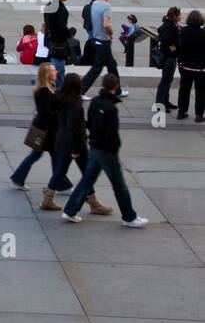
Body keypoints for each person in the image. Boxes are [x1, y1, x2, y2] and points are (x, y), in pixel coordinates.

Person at [61, 75, 149, 226]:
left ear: (102, 85)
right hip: (107, 152)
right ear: (115, 87)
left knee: (86, 180)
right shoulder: (111, 109)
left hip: (95, 147)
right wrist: (115, 148)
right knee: (119, 184)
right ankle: (129, 217)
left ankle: (70, 210)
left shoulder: (95, 101)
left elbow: (89, 122)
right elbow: (112, 135)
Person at [46, 72, 111, 216]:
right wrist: (75, 149)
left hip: (62, 140)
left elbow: (70, 123)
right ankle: (94, 203)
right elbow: (73, 128)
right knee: (87, 173)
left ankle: (48, 198)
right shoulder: (74, 105)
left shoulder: (59, 97)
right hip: (76, 144)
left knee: (61, 171)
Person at [9, 62, 60, 198]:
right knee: (52, 155)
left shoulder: (46, 88)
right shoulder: (44, 91)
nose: (57, 72)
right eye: (54, 70)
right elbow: (46, 112)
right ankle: (59, 183)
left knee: (44, 155)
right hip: (44, 130)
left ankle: (59, 182)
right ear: (47, 75)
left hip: (44, 129)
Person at [80, 0, 128, 98]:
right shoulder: (106, 6)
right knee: (97, 68)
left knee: (112, 66)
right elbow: (106, 24)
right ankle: (80, 91)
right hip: (103, 41)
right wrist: (111, 34)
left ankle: (117, 90)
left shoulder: (95, 4)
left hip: (96, 39)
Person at [176, 8, 205, 121]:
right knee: (201, 91)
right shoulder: (203, 33)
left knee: (184, 89)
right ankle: (199, 114)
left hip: (185, 65)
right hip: (200, 67)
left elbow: (179, 47)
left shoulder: (182, 31)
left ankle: (182, 112)